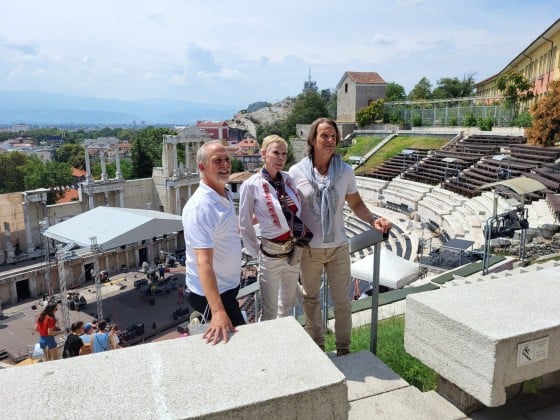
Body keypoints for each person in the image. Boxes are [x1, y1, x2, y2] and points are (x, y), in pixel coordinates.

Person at [289, 117, 392, 356]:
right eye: (324, 135)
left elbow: (355, 203)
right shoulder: (296, 172)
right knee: (311, 299)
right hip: (310, 249)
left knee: (343, 303)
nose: (330, 140)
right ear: (312, 139)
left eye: (333, 136)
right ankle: (317, 347)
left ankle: (343, 349)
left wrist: (372, 219)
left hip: (338, 248)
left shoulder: (345, 171)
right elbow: (289, 208)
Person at [239, 135, 312, 320]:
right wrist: (257, 252)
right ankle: (268, 347)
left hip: (294, 249)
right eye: (276, 153)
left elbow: (297, 211)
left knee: (286, 306)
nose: (280, 158)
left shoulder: (288, 180)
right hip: (270, 252)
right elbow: (245, 223)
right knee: (270, 310)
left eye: (284, 154)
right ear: (263, 154)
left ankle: (284, 344)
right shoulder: (251, 185)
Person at [182, 140, 245, 345]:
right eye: (217, 161)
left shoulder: (223, 194)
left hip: (227, 288)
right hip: (214, 297)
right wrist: (217, 312)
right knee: (234, 347)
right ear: (201, 167)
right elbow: (203, 263)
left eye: (227, 159)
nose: (225, 165)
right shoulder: (202, 207)